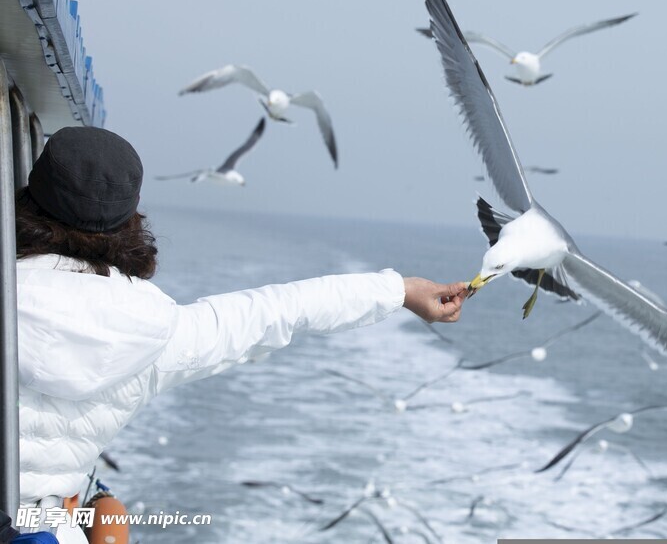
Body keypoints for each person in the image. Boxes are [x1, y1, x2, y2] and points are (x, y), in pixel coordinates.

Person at [13, 126, 467, 543]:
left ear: (27, 199)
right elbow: (281, 310)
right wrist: (400, 290)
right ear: (129, 220)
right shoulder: (161, 333)